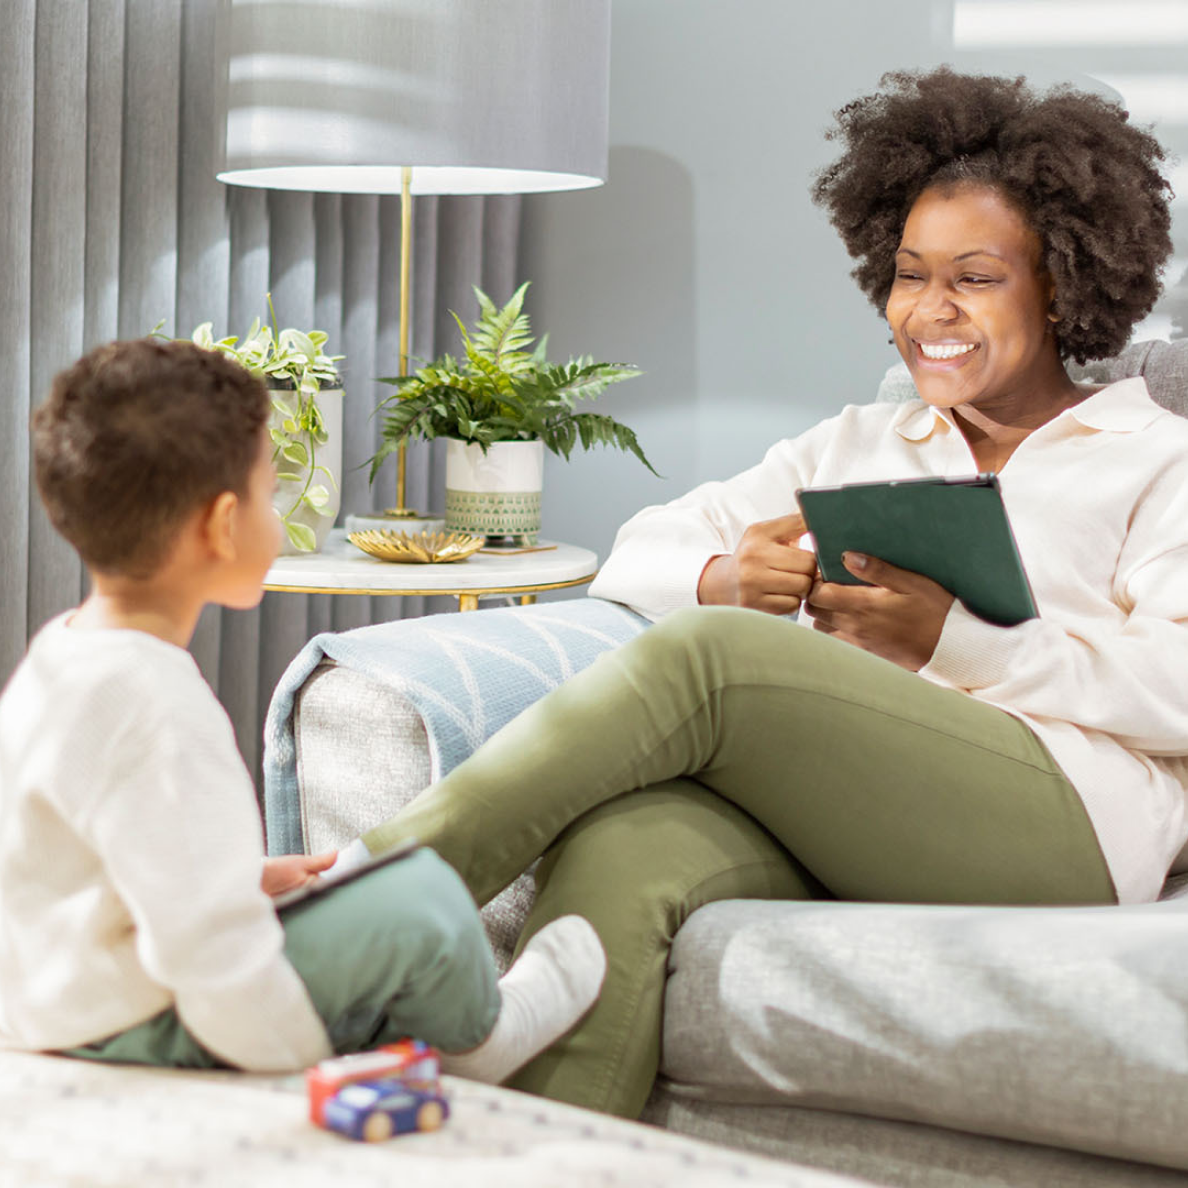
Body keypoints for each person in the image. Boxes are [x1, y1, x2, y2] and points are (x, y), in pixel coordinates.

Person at [333, 66, 1188, 1120]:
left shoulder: (1157, 457)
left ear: (1060, 282)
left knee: (713, 659)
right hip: (870, 803)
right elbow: (636, 555)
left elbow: (1176, 690)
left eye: (975, 278)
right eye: (910, 275)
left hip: (1072, 829)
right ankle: (550, 1152)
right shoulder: (862, 441)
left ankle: (349, 910)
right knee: (626, 844)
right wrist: (726, 575)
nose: (931, 312)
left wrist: (954, 641)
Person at [0, 338, 605, 1081]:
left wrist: (241, 877)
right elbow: (212, 955)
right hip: (144, 1026)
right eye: (270, 490)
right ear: (223, 525)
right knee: (419, 895)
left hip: (50, 1008)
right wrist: (291, 1061)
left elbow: (77, 858)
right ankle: (485, 1039)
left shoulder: (57, 659)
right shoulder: (159, 704)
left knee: (342, 893)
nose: (278, 512)